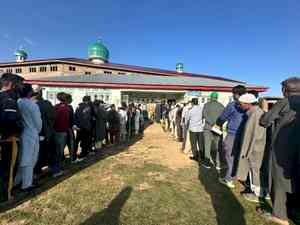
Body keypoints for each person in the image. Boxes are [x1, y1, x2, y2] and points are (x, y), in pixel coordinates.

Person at [259, 77, 300, 225]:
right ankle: (293, 210)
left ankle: (280, 215)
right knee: (294, 179)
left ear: (285, 90)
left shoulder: (284, 102)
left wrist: (264, 109)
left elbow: (264, 121)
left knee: (278, 180)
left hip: (282, 149)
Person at [236, 93, 267, 203]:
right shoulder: (254, 112)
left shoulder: (256, 114)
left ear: (247, 104)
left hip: (255, 149)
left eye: (241, 104)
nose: (240, 106)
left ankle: (257, 194)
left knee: (255, 171)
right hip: (255, 148)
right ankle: (261, 192)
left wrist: (247, 151)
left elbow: (255, 135)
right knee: (256, 170)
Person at [216, 85, 247, 188]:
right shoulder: (250, 105)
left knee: (230, 157)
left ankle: (228, 179)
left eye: (233, 94)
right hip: (246, 135)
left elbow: (222, 118)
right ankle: (240, 177)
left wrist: (218, 123)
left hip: (233, 134)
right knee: (240, 157)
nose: (233, 95)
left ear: (237, 94)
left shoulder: (232, 105)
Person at [0, 73, 24, 202]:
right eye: (18, 85)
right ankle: (6, 195)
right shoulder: (8, 99)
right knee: (8, 169)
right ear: (10, 84)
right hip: (8, 140)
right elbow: (11, 122)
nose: (20, 88)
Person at [14, 84, 42, 192]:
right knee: (30, 159)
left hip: (20, 133)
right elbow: (38, 122)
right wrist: (38, 131)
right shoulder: (32, 105)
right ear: (29, 93)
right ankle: (26, 184)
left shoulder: (18, 102)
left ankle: (17, 181)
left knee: (22, 159)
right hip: (31, 133)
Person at [31, 85, 55, 175]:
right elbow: (53, 117)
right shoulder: (46, 103)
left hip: (34, 134)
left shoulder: (28, 103)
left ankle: (36, 172)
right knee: (45, 152)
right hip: (45, 133)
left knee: (36, 154)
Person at [202, 92, 225, 169]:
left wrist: (211, 123)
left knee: (207, 146)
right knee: (218, 146)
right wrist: (216, 124)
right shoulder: (221, 106)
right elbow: (224, 117)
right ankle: (218, 164)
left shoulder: (206, 105)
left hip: (208, 127)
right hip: (217, 128)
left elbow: (204, 115)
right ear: (217, 98)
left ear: (211, 97)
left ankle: (207, 163)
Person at [52, 92, 70, 177]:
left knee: (56, 151)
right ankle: (57, 170)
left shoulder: (56, 107)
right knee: (59, 152)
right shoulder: (66, 108)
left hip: (55, 130)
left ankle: (57, 168)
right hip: (62, 131)